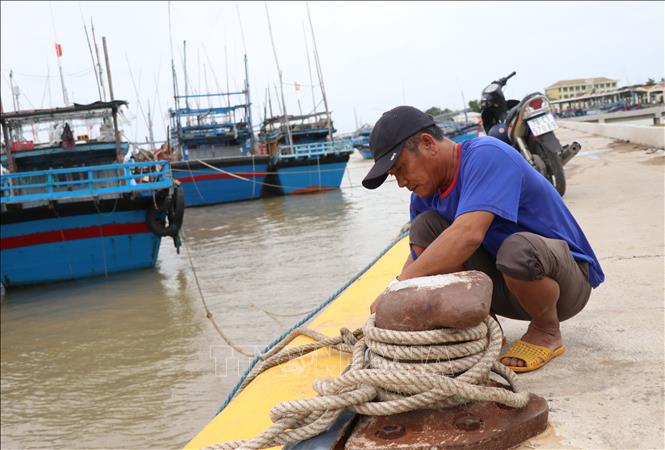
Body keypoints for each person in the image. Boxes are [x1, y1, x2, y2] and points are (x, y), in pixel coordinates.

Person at [362, 105, 604, 373]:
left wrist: (398, 286)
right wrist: (388, 304)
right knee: (425, 227)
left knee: (517, 249)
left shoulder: (487, 155)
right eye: (394, 177)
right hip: (509, 285)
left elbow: (467, 235)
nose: (401, 182)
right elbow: (421, 260)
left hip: (565, 283)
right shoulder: (423, 197)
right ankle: (485, 329)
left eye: (400, 168)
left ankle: (546, 331)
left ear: (428, 143)